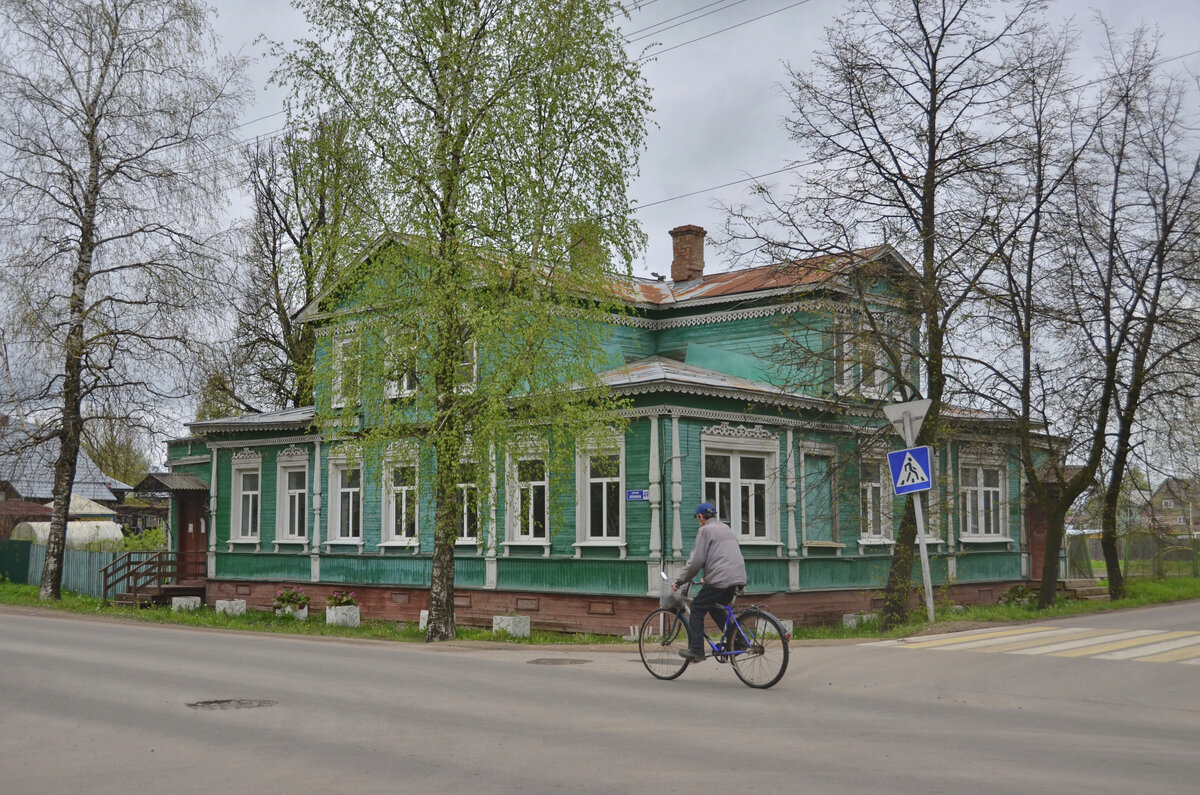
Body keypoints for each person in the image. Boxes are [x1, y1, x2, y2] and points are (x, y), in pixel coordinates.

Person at [673, 502, 747, 662]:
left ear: (700, 517)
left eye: (697, 518)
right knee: (716, 608)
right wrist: (708, 578)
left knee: (698, 608)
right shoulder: (725, 528)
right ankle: (739, 641)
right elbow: (723, 557)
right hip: (738, 577)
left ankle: (696, 650)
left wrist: (680, 580)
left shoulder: (705, 530)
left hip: (721, 580)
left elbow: (695, 561)